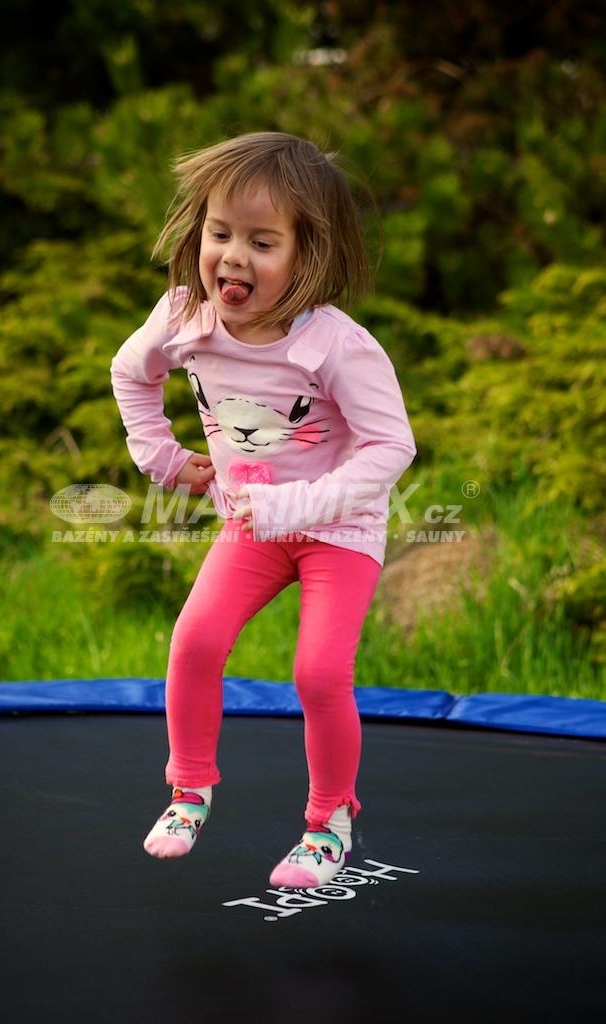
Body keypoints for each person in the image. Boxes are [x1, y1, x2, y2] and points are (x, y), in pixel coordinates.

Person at [110, 131, 416, 889]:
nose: (232, 257)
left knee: (318, 673)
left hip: (337, 529)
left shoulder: (335, 346)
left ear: (308, 254)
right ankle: (189, 790)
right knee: (193, 642)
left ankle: (328, 823)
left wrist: (298, 503)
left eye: (261, 242)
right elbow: (129, 372)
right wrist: (162, 458)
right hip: (253, 528)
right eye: (220, 234)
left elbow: (392, 447)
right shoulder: (184, 317)